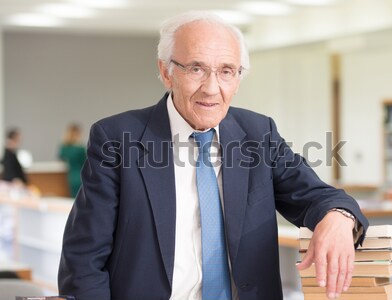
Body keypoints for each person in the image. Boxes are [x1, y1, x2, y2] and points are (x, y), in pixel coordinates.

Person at [58, 11, 369, 300]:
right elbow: (83, 260)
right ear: (166, 73)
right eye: (196, 69)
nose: (212, 88)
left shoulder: (259, 133)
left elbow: (316, 196)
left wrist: (338, 217)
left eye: (226, 72)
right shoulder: (117, 138)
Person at [58, 123, 86, 197]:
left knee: (73, 199)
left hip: (71, 176)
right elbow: (86, 162)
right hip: (80, 176)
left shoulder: (64, 148)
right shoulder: (80, 149)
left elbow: (61, 158)